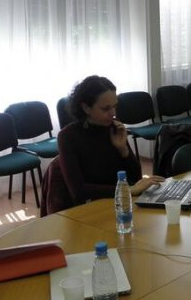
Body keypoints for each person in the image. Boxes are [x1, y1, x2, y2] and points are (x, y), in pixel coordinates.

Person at [56, 75, 163, 209]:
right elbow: (79, 192)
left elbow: (135, 178)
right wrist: (127, 190)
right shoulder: (67, 137)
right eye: (106, 109)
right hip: (91, 208)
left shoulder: (113, 128)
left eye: (115, 106)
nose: (113, 113)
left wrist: (123, 150)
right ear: (86, 108)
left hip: (120, 203)